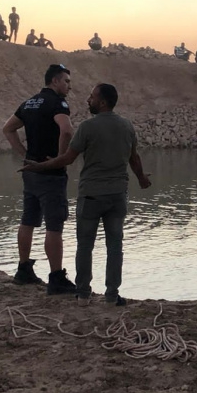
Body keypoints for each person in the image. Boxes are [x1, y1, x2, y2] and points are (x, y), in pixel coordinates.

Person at [20, 83, 151, 305]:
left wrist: (40, 166)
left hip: (91, 195)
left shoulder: (88, 127)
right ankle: (112, 296)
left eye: (92, 97)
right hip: (117, 195)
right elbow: (134, 158)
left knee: (85, 245)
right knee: (115, 246)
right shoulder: (127, 126)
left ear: (103, 102)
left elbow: (67, 159)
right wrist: (141, 178)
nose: (88, 100)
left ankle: (82, 294)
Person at [2, 64, 78, 295]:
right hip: (50, 172)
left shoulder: (30, 102)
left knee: (28, 220)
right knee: (54, 225)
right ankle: (56, 277)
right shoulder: (57, 103)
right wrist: (60, 158)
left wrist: (24, 154)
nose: (69, 86)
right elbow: (67, 130)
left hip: (30, 170)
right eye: (66, 81)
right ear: (55, 81)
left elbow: (8, 129)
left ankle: (23, 269)